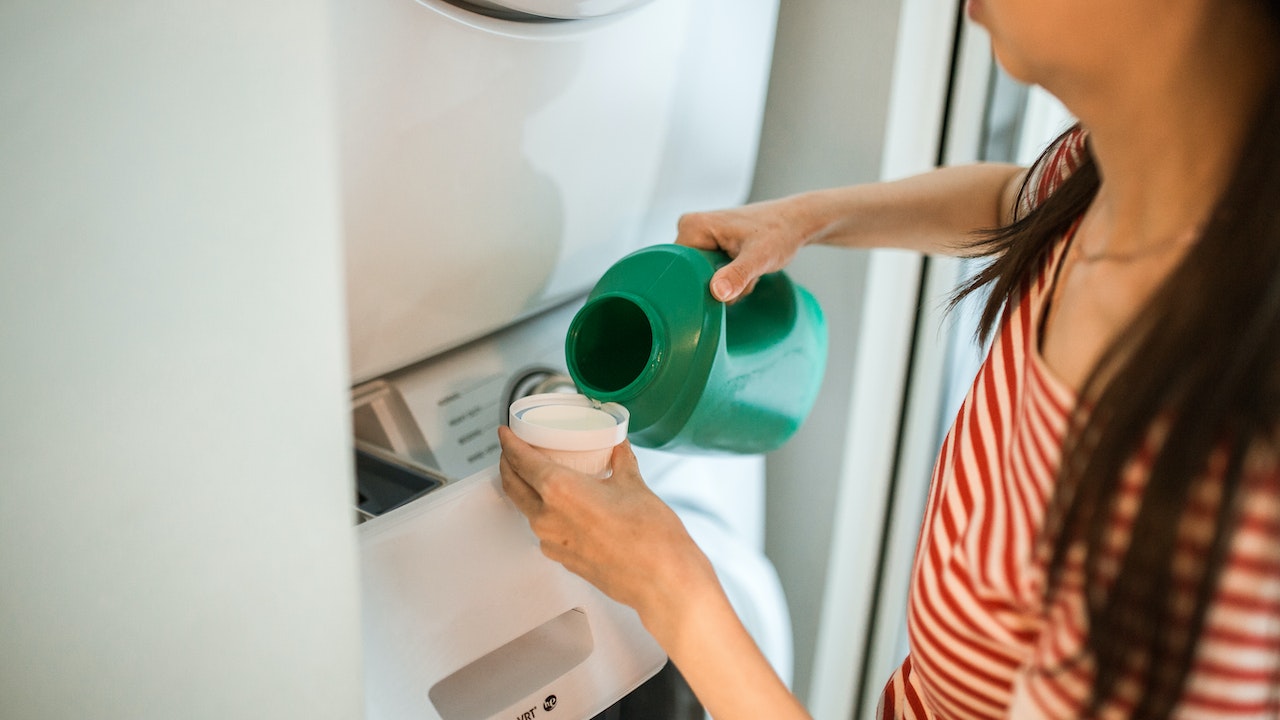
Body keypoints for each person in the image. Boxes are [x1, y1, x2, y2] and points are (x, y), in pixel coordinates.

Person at [497, 0, 1280, 716]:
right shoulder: (1108, 179)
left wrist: (672, 589)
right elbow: (1015, 202)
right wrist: (810, 219)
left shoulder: (1214, 482)